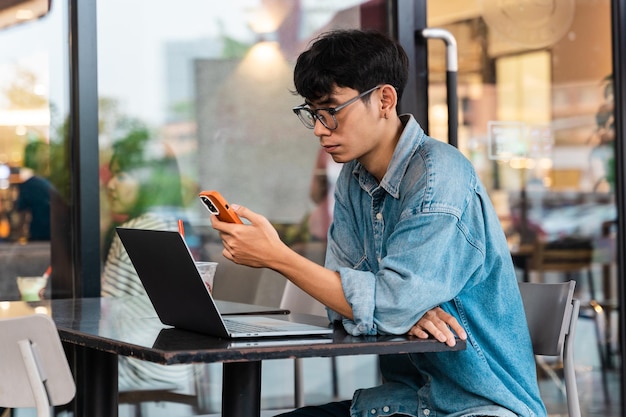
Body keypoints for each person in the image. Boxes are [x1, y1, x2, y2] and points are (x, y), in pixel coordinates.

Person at [210, 29, 545, 417]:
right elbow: (343, 303)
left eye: (331, 111)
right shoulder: (353, 180)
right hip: (400, 403)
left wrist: (278, 257)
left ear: (384, 99)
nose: (320, 129)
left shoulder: (440, 177)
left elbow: (373, 304)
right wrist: (400, 310)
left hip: (478, 406)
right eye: (313, 114)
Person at [100, 128, 192, 391]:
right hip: (180, 371)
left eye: (122, 175)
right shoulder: (168, 225)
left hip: (139, 370)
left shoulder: (134, 233)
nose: (110, 185)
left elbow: (105, 315)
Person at [15, 141, 52, 241]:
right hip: (56, 237)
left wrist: (17, 238)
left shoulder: (28, 185)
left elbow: (22, 216)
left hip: (38, 236)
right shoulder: (54, 183)